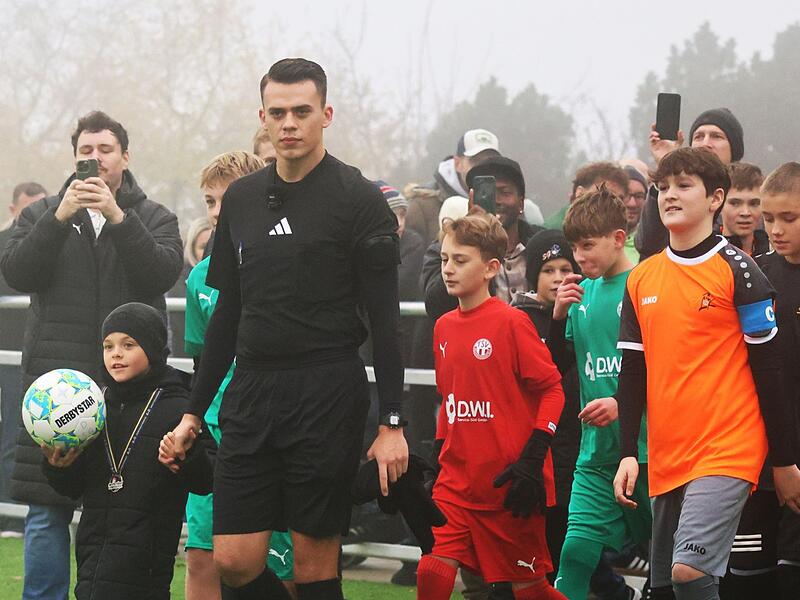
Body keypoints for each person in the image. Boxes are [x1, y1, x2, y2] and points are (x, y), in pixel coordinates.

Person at [161, 58, 407, 600]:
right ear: (263, 118)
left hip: (326, 390)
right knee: (233, 561)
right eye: (278, 113)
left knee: (313, 564)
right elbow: (227, 315)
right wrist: (192, 414)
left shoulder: (358, 199)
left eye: (302, 111)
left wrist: (392, 421)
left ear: (326, 114)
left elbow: (387, 323)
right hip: (251, 391)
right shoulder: (244, 200)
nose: (289, 123)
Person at [1, 110, 183, 600]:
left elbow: (160, 273)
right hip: (55, 392)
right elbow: (16, 271)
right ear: (75, 157)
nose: (95, 159)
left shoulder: (154, 217)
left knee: (124, 512)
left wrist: (119, 219)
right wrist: (60, 216)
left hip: (130, 391)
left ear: (125, 156)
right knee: (46, 512)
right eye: (86, 151)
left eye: (105, 150)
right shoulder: (42, 215)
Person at [613, 147, 800, 600]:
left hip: (727, 449)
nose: (669, 196)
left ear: (715, 198)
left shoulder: (742, 271)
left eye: (684, 186)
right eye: (664, 187)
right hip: (667, 453)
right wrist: (626, 453)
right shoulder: (642, 278)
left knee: (689, 573)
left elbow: (769, 370)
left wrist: (782, 460)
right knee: (663, 589)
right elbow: (633, 371)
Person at [418, 211, 567, 600]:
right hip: (457, 484)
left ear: (492, 268)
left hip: (509, 484)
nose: (448, 269)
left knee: (530, 590)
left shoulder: (512, 323)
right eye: (445, 259)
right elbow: (449, 402)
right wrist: (438, 458)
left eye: (460, 260)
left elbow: (553, 389)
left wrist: (533, 460)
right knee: (433, 568)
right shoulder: (443, 328)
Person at [182, 151, 296, 600]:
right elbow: (200, 361)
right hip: (213, 436)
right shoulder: (199, 279)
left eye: (224, 199)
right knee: (202, 557)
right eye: (209, 202)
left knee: (276, 567)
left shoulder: (286, 267)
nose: (216, 212)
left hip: (271, 435)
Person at [41, 302, 212, 599]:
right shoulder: (92, 409)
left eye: (128, 344)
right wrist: (60, 467)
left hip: (145, 573)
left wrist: (185, 457)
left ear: (154, 347)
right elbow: (76, 487)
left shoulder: (180, 408)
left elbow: (207, 478)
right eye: (108, 346)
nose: (116, 353)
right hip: (91, 566)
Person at [546, 188, 649, 600]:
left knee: (670, 561)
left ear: (619, 237)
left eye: (588, 245)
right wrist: (556, 321)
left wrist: (622, 404)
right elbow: (555, 369)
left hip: (649, 449)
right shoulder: (581, 293)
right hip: (596, 456)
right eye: (575, 246)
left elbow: (671, 368)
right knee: (574, 554)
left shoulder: (644, 284)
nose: (579, 256)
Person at [719, 162, 800, 600]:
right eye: (770, 219)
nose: (776, 229)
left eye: (789, 218)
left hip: (795, 461)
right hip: (756, 460)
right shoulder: (755, 275)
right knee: (746, 582)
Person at [636, 107, 744, 260]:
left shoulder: (754, 191)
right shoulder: (671, 196)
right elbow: (648, 245)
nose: (705, 143)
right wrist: (667, 165)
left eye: (716, 136)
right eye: (698, 136)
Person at [0, 182, 47, 530]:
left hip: (38, 354)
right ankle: (10, 513)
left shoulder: (57, 237)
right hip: (7, 355)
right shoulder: (5, 244)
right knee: (10, 437)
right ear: (14, 210)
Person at [406, 128, 500, 243]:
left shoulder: (506, 204)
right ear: (457, 164)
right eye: (476, 161)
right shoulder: (422, 206)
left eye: (491, 162)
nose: (484, 167)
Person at [543, 162, 630, 231]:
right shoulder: (555, 231)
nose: (613, 204)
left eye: (619, 199)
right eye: (604, 195)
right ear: (580, 193)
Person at [721, 162, 768, 256]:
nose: (745, 213)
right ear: (719, 203)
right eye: (735, 203)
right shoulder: (703, 254)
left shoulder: (777, 253)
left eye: (754, 204)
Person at [622, 166, 648, 263]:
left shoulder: (654, 244)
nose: (632, 203)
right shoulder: (597, 241)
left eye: (639, 196)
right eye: (626, 196)